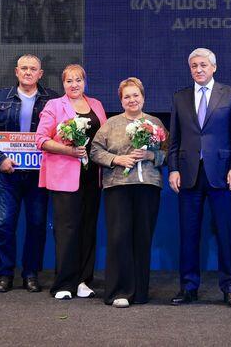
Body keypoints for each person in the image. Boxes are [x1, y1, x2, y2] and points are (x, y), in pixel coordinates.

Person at [168, 48, 231, 308]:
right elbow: (175, 138)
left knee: (226, 233)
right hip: (188, 174)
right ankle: (188, 288)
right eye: (194, 66)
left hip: (222, 174)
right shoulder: (180, 97)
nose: (198, 69)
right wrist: (173, 169)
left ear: (214, 67)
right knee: (188, 235)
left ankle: (230, 288)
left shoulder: (230, 94)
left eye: (203, 65)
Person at [0, 55, 59, 293]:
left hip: (39, 175)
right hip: (10, 174)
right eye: (24, 68)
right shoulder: (0, 97)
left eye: (33, 69)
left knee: (37, 225)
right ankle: (5, 274)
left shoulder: (52, 100)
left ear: (40, 74)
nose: (28, 72)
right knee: (5, 224)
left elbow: (61, 133)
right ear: (16, 71)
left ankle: (31, 274)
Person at [91, 77, 168, 308]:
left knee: (142, 238)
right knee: (119, 238)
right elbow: (95, 151)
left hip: (148, 187)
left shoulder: (155, 123)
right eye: (127, 96)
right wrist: (117, 159)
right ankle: (119, 292)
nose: (132, 100)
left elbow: (168, 152)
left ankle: (140, 292)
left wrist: (151, 155)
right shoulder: (111, 124)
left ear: (143, 97)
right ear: (121, 100)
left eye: (136, 95)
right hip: (118, 187)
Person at [36, 64, 107, 300]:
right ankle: (64, 283)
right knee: (67, 230)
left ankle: (84, 281)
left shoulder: (96, 104)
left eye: (78, 80)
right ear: (63, 83)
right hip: (65, 178)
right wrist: (69, 151)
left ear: (85, 82)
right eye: (69, 81)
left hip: (93, 177)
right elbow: (41, 139)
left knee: (88, 228)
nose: (74, 84)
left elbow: (104, 137)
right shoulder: (54, 106)